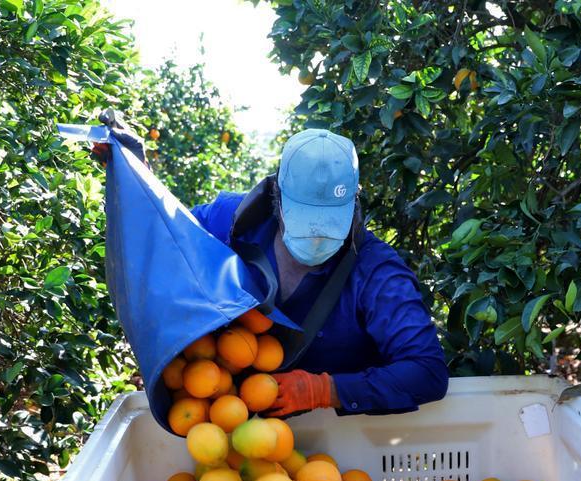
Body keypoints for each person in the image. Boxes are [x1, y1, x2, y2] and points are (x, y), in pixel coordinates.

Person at [188, 128, 449, 418]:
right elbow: (162, 240)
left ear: (354, 205)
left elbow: (427, 371)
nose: (315, 238)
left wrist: (327, 390)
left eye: (328, 224)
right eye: (307, 220)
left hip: (328, 441)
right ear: (278, 197)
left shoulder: (376, 272)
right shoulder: (231, 223)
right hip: (213, 414)